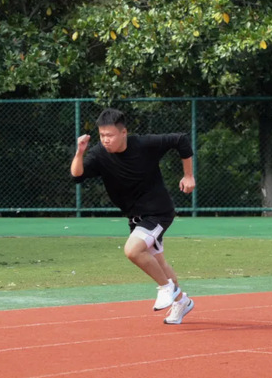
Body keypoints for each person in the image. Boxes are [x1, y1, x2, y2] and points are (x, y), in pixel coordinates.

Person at [70, 108, 196, 324]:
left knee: (132, 250)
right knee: (159, 262)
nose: (105, 140)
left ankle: (167, 288)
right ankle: (181, 301)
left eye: (110, 135)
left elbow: (180, 140)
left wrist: (188, 175)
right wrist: (80, 152)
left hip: (158, 212)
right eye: (102, 135)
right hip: (136, 217)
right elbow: (77, 176)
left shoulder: (144, 144)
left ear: (123, 132)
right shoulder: (100, 154)